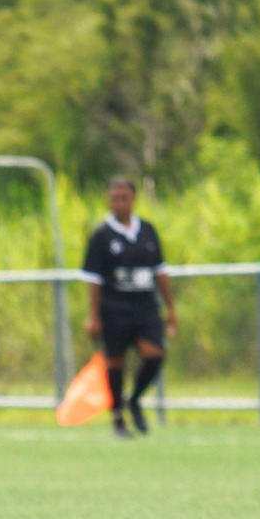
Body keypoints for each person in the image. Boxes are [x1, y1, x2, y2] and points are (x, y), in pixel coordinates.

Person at [81, 177, 177, 438]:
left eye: (124, 198)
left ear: (133, 199)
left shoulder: (147, 230)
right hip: (114, 308)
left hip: (145, 307)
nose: (119, 203)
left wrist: (171, 309)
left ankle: (134, 399)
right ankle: (117, 418)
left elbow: (160, 271)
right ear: (109, 200)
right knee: (115, 362)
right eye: (115, 198)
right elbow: (94, 280)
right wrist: (93, 316)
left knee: (155, 354)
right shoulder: (101, 235)